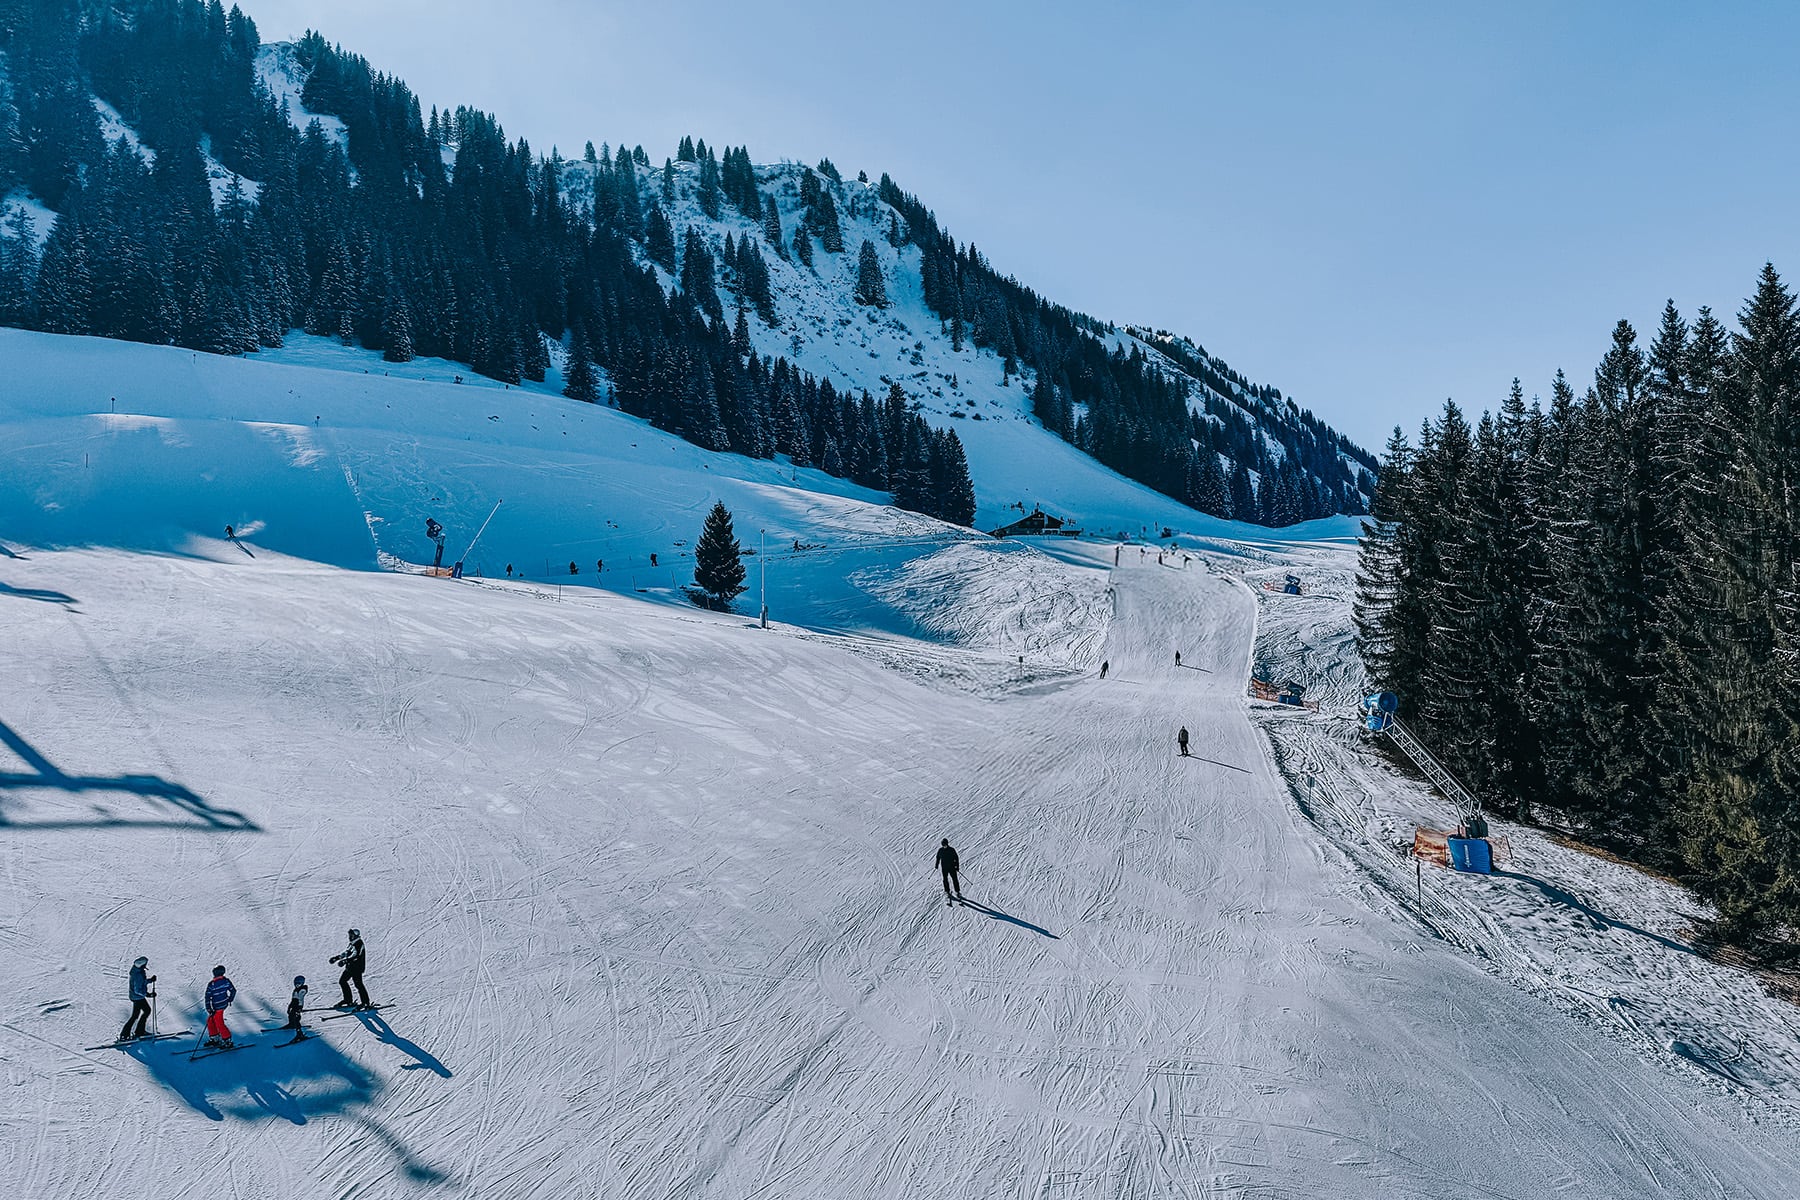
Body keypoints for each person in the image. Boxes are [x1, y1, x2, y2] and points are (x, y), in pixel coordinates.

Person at [331, 928, 371, 1009]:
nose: (350, 936)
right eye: (349, 935)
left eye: (351, 935)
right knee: (342, 981)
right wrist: (336, 958)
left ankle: (365, 1003)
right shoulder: (352, 943)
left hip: (357, 968)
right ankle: (348, 1000)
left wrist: (345, 961)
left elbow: (356, 956)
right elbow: (346, 953)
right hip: (350, 967)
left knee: (358, 984)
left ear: (355, 936)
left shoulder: (359, 943)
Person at [119, 955, 155, 1042]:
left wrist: (150, 980)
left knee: (137, 1014)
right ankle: (136, 1032)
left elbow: (142, 982)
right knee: (146, 1011)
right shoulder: (138, 975)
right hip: (137, 997)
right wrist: (148, 994)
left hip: (136, 997)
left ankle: (128, 1033)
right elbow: (137, 990)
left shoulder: (137, 971)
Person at [203, 965, 236, 1047]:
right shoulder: (226, 981)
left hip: (217, 1007)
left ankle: (227, 1040)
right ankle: (215, 1038)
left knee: (219, 1022)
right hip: (221, 1005)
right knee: (210, 1020)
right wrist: (230, 999)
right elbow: (233, 991)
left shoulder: (212, 984)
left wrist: (209, 1008)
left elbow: (207, 997)